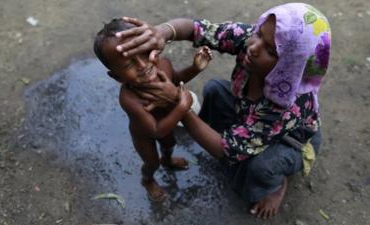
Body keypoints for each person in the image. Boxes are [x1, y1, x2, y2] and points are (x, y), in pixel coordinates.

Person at [115, 2, 331, 218]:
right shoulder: (250, 40)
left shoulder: (287, 107)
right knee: (215, 89)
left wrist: (178, 103)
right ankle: (227, 137)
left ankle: (275, 186)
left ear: (290, 66)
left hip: (289, 142)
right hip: (248, 114)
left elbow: (225, 150)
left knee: (259, 167)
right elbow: (197, 29)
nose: (254, 47)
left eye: (271, 50)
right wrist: (162, 31)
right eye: (259, 33)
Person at [93, 18, 213, 201]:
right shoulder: (129, 99)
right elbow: (155, 131)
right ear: (116, 77)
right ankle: (147, 180)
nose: (143, 66)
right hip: (146, 135)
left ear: (153, 48)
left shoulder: (163, 65)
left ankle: (168, 160)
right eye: (129, 65)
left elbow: (177, 78)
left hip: (168, 122)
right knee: (151, 162)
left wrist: (195, 68)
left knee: (169, 145)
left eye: (145, 53)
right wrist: (182, 106)